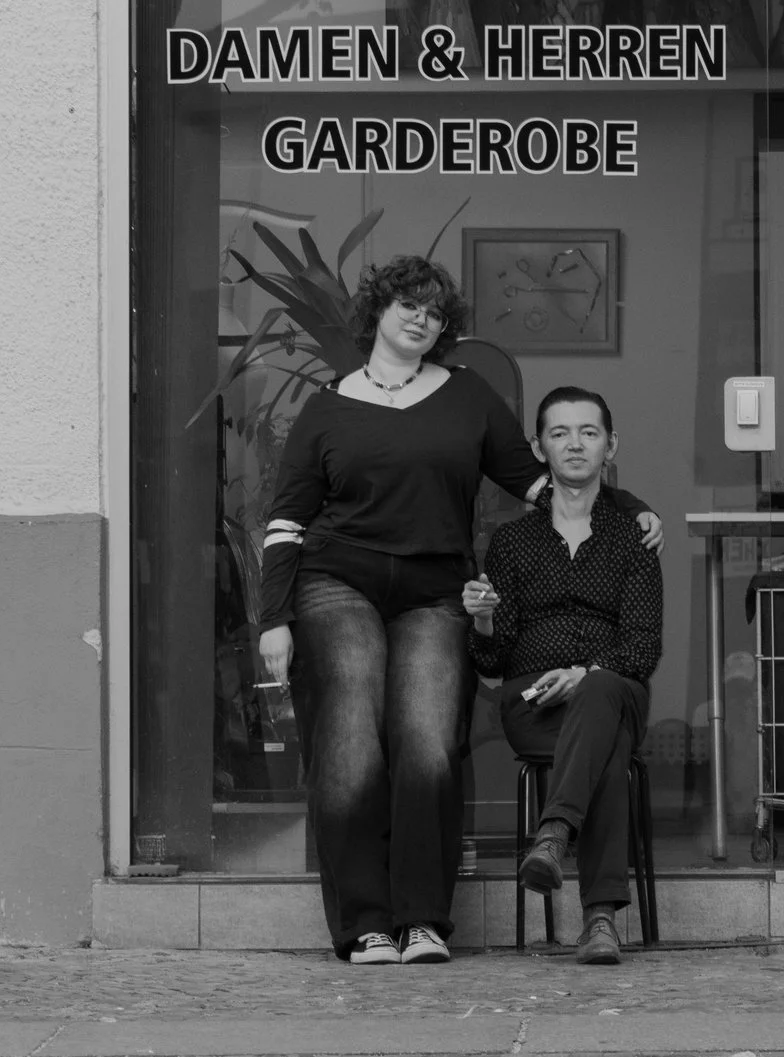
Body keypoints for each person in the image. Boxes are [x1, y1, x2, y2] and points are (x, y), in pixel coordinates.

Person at [257, 255, 663, 966]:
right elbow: (287, 521)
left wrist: (631, 509)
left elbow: (545, 480)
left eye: (436, 311)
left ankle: (421, 920)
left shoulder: (468, 396)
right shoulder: (326, 405)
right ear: (377, 311)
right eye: (409, 304)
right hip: (336, 580)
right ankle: (364, 924)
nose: (422, 317)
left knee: (428, 745)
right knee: (350, 742)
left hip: (435, 585)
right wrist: (272, 619)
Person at [466, 387, 661, 967]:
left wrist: (586, 673)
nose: (575, 444)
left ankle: (552, 836)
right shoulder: (510, 542)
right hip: (533, 703)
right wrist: (481, 621)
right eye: (560, 433)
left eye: (588, 432)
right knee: (604, 748)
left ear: (610, 445)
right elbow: (492, 662)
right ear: (539, 447)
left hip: (615, 688)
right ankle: (599, 922)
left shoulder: (635, 539)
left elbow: (643, 648)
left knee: (600, 695)